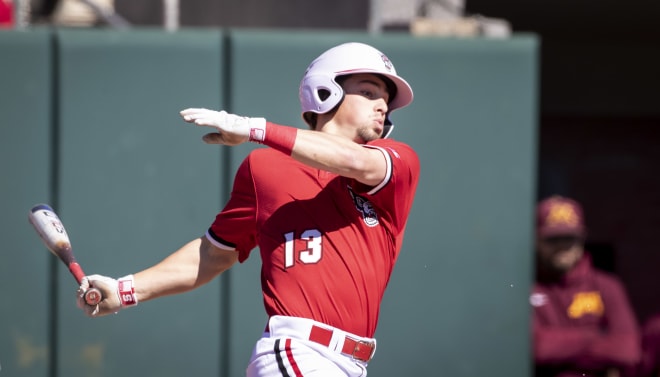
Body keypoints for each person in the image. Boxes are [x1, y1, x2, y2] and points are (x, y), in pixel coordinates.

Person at [77, 42, 420, 377]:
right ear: (326, 92)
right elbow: (213, 254)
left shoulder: (398, 163)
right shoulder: (265, 168)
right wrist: (125, 290)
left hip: (352, 363)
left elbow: (353, 159)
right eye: (370, 92)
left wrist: (256, 128)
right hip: (298, 351)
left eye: (386, 101)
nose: (382, 107)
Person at [530, 195, 641, 377]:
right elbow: (536, 347)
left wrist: (560, 346)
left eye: (569, 238)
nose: (562, 246)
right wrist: (597, 338)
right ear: (535, 240)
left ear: (582, 238)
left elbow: (628, 350)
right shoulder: (525, 287)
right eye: (553, 239)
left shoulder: (607, 285)